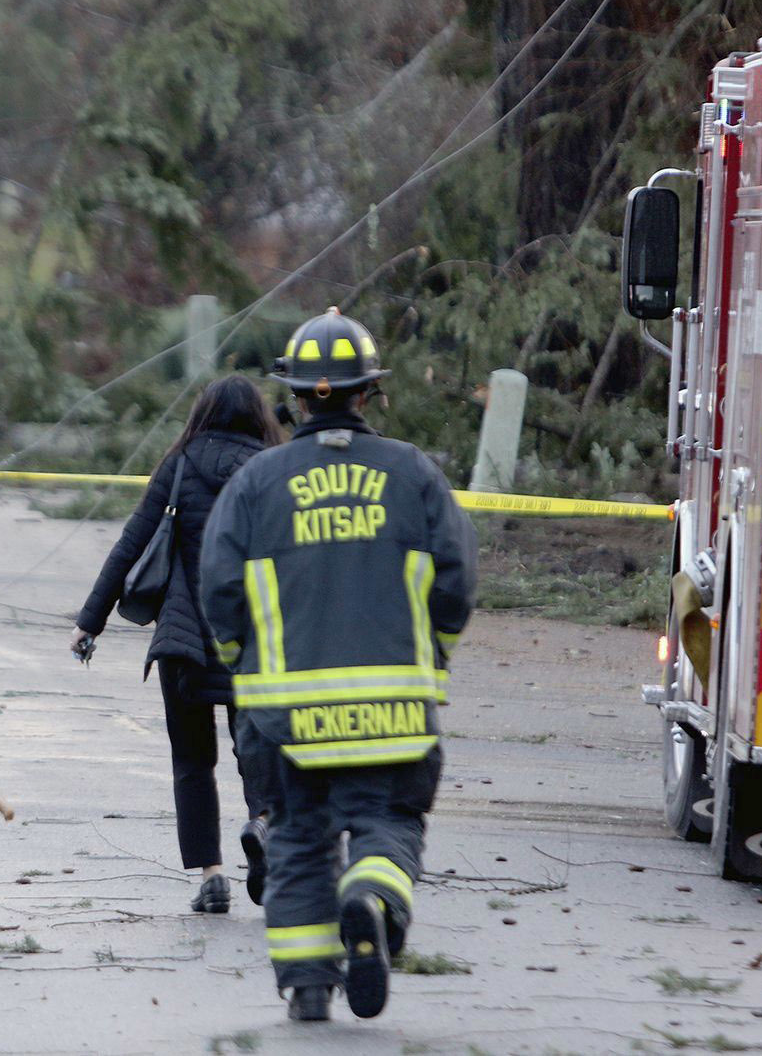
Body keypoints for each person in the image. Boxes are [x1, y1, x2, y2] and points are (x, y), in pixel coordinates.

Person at [201, 309, 475, 1025]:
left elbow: (219, 589)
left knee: (293, 839)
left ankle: (310, 984)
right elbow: (457, 579)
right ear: (366, 393)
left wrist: (243, 666)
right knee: (388, 823)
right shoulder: (414, 473)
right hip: (394, 711)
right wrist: (432, 651)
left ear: (294, 398)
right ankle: (374, 899)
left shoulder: (258, 483)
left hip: (286, 720)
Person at [69, 375, 284, 915]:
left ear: (203, 412)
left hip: (184, 638)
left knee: (192, 760)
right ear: (258, 415)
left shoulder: (181, 462)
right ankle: (263, 823)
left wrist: (89, 621)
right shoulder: (271, 467)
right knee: (256, 746)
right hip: (253, 638)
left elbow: (132, 543)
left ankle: (211, 873)